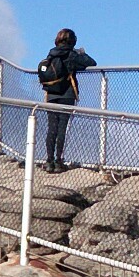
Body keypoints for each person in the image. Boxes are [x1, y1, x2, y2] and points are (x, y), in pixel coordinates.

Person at [39, 28, 97, 173]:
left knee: (52, 128)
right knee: (62, 128)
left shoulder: (51, 54)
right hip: (67, 94)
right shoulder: (72, 55)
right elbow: (91, 62)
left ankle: (49, 161)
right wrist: (81, 53)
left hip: (51, 94)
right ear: (73, 41)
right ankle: (59, 161)